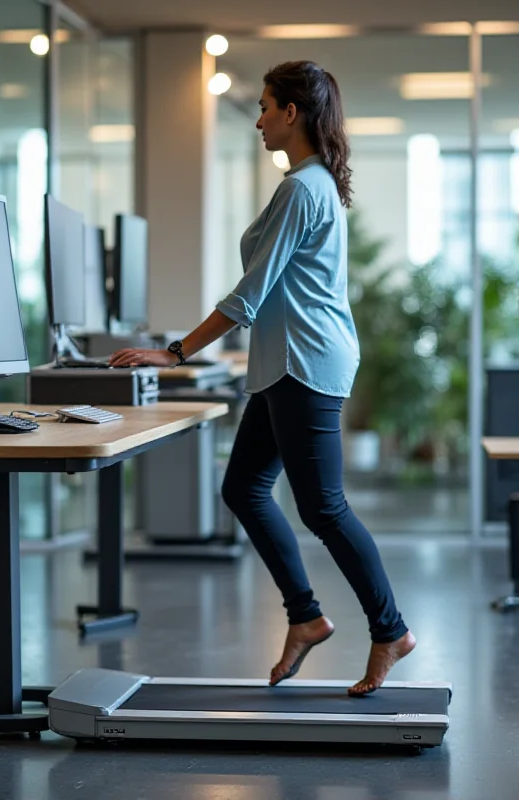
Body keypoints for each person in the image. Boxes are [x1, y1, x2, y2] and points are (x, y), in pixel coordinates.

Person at [109, 60, 416, 695]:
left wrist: (177, 352)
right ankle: (306, 616)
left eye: (266, 107)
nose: (258, 120)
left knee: (323, 508)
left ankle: (390, 631)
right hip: (284, 365)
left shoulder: (303, 188)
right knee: (245, 487)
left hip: (305, 362)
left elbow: (251, 293)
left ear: (292, 114)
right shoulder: (308, 183)